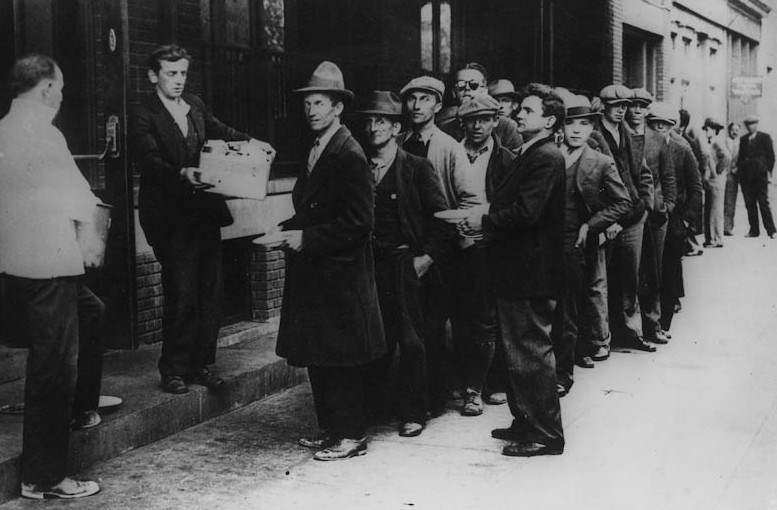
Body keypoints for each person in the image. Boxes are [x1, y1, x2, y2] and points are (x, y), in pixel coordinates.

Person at [130, 44, 275, 394]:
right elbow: (148, 160)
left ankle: (202, 365)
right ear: (154, 76)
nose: (179, 80)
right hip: (170, 218)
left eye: (182, 73)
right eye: (171, 73)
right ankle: (174, 369)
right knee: (182, 291)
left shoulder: (194, 106)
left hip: (204, 214)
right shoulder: (143, 114)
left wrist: (254, 142)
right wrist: (183, 173)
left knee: (210, 290)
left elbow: (219, 130)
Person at [0, 54, 101, 499]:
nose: (61, 97)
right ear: (45, 90)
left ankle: (83, 408)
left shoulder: (4, 130)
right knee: (54, 369)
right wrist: (92, 237)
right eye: (58, 89)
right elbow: (77, 198)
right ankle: (43, 476)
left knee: (94, 312)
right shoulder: (45, 134)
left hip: (19, 263)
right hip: (50, 265)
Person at [275, 61, 386, 461]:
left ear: (338, 106)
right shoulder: (319, 148)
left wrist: (304, 237)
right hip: (319, 273)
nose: (311, 110)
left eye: (319, 103)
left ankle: (351, 434)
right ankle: (331, 429)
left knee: (342, 358)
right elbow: (313, 209)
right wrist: (285, 228)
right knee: (321, 354)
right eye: (307, 103)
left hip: (341, 274)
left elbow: (359, 223)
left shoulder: (349, 153)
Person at [462, 83, 566, 457]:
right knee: (517, 354)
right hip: (518, 270)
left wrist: (483, 219)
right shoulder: (531, 152)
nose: (519, 114)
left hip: (530, 273)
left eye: (528, 110)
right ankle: (525, 422)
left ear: (550, 121)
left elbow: (527, 213)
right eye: (519, 109)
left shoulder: (546, 156)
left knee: (531, 353)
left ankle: (545, 434)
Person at [357, 90, 451, 437]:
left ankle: (416, 411)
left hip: (404, 264)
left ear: (396, 127)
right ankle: (377, 408)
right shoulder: (360, 165)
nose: (373, 128)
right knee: (374, 337)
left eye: (380, 121)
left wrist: (424, 259)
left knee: (412, 341)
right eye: (368, 121)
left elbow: (442, 219)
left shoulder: (416, 167)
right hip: (369, 265)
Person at [399, 75, 474, 414]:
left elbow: (470, 199)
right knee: (407, 327)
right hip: (405, 245)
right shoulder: (398, 142)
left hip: (441, 249)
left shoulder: (449, 147)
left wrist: (449, 244)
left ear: (438, 105)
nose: (417, 106)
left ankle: (434, 398)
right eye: (412, 99)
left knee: (433, 326)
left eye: (425, 99)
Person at [552, 94, 631, 396]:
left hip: (574, 243)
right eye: (571, 123)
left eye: (584, 124)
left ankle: (562, 373)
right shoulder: (549, 154)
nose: (576, 130)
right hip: (541, 242)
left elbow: (623, 202)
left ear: (591, 128)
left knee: (567, 310)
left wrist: (591, 224)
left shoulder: (600, 162)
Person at [454, 94, 516, 415]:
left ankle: (476, 388)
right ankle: (469, 379)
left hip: (488, 248)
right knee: (460, 316)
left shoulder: (507, 160)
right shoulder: (453, 154)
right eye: (470, 120)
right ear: (461, 123)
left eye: (484, 119)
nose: (477, 126)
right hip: (454, 247)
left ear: (495, 121)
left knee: (486, 318)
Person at [595, 84, 656, 353]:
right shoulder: (594, 135)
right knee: (602, 280)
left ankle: (631, 331)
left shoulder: (628, 134)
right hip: (607, 218)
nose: (621, 111)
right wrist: (609, 220)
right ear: (604, 107)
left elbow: (642, 173)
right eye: (615, 106)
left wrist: (645, 205)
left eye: (624, 107)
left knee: (630, 276)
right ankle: (603, 337)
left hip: (632, 216)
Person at [625, 88, 676, 346]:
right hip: (629, 213)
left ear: (647, 110)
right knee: (629, 272)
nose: (636, 111)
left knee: (652, 271)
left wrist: (667, 204)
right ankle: (628, 329)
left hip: (655, 215)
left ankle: (652, 324)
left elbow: (668, 175)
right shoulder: (620, 134)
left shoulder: (658, 139)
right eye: (632, 105)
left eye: (642, 107)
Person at [650, 103, 702, 333]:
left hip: (675, 219)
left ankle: (665, 320)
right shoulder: (645, 145)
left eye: (665, 124)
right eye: (655, 123)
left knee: (670, 269)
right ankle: (650, 320)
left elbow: (695, 187)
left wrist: (688, 221)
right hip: (652, 216)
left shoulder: (683, 148)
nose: (660, 128)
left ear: (672, 126)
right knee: (651, 270)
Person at [437, 62, 523, 151]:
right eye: (461, 85)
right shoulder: (444, 131)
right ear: (454, 93)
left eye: (473, 85)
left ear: (485, 91)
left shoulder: (507, 127)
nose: (467, 89)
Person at [738, 115, 776, 238]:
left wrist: (767, 171)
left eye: (753, 123)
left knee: (763, 203)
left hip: (760, 177)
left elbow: (771, 156)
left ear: (757, 124)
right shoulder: (743, 139)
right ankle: (754, 230)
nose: (750, 126)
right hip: (747, 178)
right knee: (750, 204)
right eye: (748, 124)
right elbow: (740, 158)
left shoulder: (765, 138)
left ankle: (772, 230)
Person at [701, 118, 730, 248]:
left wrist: (718, 170)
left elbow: (727, 157)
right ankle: (711, 238)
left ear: (714, 130)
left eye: (707, 129)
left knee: (714, 209)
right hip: (711, 181)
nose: (706, 131)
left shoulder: (717, 143)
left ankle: (715, 239)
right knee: (710, 208)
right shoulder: (711, 142)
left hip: (716, 181)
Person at [723, 122, 741, 236]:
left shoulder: (741, 144)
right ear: (729, 131)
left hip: (734, 176)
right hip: (724, 174)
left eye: (737, 130)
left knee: (730, 202)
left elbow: (743, 159)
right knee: (721, 201)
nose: (734, 132)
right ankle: (720, 227)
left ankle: (728, 227)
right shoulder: (724, 142)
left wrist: (737, 169)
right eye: (733, 130)